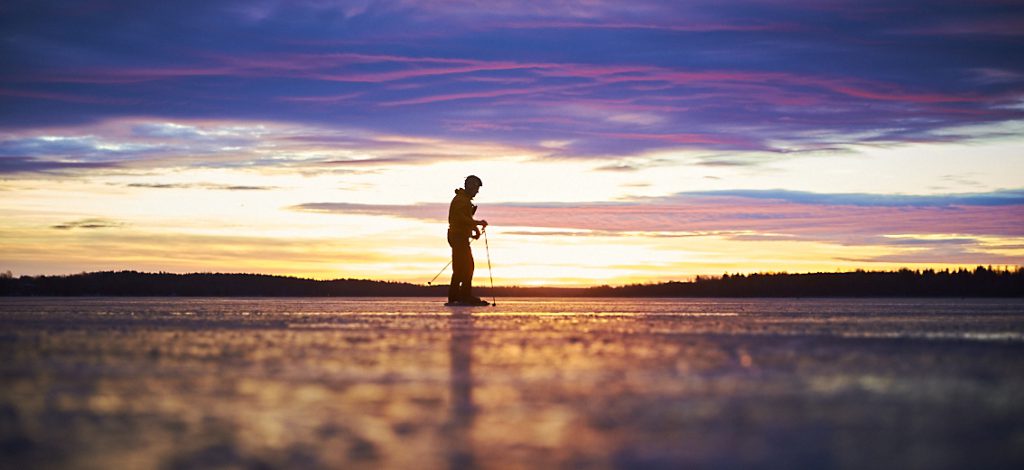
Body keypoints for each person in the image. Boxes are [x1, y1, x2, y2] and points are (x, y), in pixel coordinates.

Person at [447, 175, 489, 306]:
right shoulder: (461, 201)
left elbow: (463, 221)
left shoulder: (463, 200)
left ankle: (455, 297)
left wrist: (474, 230)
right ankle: (463, 297)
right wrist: (477, 223)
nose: (477, 191)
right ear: (470, 186)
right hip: (458, 238)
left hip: (459, 237)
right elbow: (460, 219)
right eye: (476, 188)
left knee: (461, 268)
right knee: (466, 267)